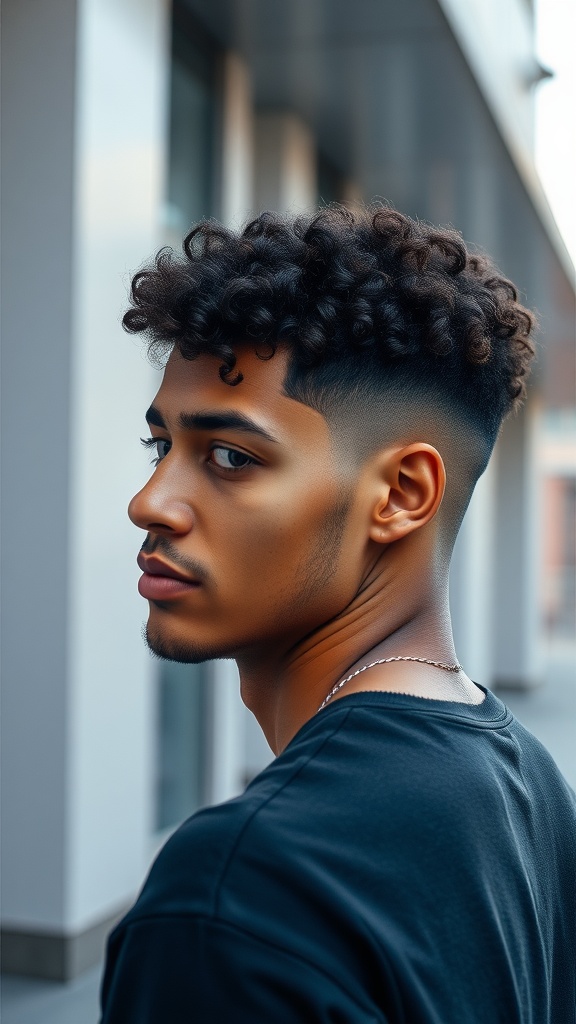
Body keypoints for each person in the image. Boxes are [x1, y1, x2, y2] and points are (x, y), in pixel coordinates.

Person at [99, 206, 575, 1023]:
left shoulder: (240, 894)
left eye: (229, 457)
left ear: (400, 495)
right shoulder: (530, 784)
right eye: (161, 449)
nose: (151, 503)